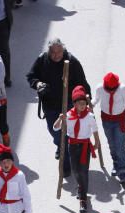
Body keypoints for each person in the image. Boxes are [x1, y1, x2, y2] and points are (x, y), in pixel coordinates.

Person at [27, 38, 90, 175]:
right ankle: (59, 146)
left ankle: (65, 165)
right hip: (49, 104)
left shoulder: (72, 62)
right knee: (54, 131)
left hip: (68, 105)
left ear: (63, 50)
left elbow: (82, 83)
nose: (56, 55)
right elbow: (31, 76)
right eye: (53, 52)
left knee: (66, 135)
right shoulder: (42, 59)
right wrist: (37, 84)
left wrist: (87, 100)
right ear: (48, 51)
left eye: (59, 52)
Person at [53, 85, 100, 213]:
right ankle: (80, 186)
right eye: (79, 103)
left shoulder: (90, 116)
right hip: (72, 145)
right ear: (74, 104)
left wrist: (96, 142)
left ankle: (83, 199)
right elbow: (55, 128)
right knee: (75, 171)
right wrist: (60, 118)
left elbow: (95, 130)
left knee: (84, 171)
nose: (82, 105)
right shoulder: (68, 115)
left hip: (85, 146)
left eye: (84, 103)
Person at [92, 72, 125, 185]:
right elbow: (96, 99)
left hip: (119, 120)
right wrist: (91, 104)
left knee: (120, 145)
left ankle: (122, 171)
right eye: (108, 89)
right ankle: (116, 163)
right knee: (111, 144)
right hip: (106, 120)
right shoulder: (100, 88)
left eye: (113, 89)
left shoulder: (123, 89)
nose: (111, 91)